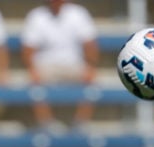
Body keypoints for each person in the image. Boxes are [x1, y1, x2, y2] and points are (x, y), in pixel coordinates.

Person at [21, 0, 99, 130]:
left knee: (91, 79)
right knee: (34, 80)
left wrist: (91, 66)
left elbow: (90, 44)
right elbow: (28, 49)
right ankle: (46, 123)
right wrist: (32, 70)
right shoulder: (36, 16)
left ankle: (81, 122)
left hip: (74, 64)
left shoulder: (78, 13)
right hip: (46, 65)